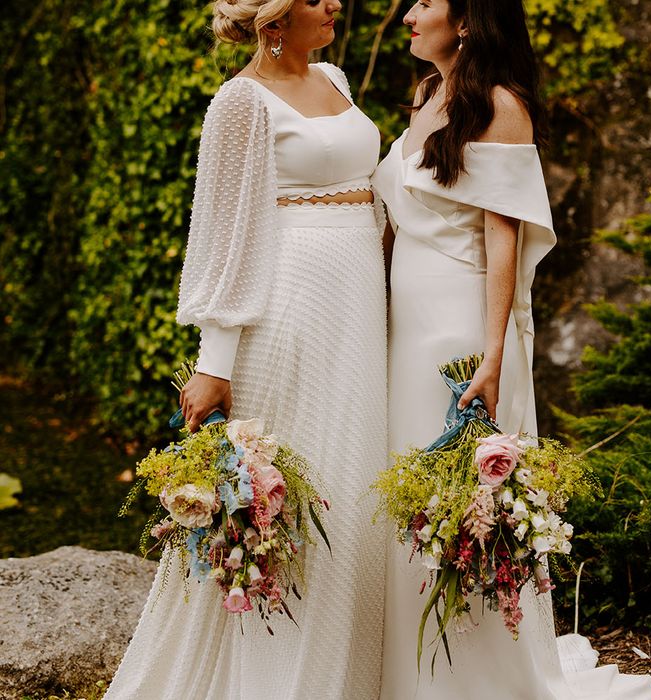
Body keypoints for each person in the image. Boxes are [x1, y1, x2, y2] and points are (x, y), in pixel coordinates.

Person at [371, 0, 651, 698]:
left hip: (462, 328)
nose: (409, 14)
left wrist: (494, 353)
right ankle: (409, 672)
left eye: (426, 3)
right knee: (406, 488)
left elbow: (502, 238)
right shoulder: (426, 95)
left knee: (460, 497)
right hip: (404, 324)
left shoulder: (500, 106)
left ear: (467, 19)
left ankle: (473, 679)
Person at [104, 0, 387, 697]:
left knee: (353, 481)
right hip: (286, 310)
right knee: (291, 492)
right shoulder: (239, 102)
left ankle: (349, 669)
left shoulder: (338, 80)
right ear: (274, 22)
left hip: (359, 307)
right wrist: (214, 363)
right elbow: (226, 234)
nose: (336, 5)